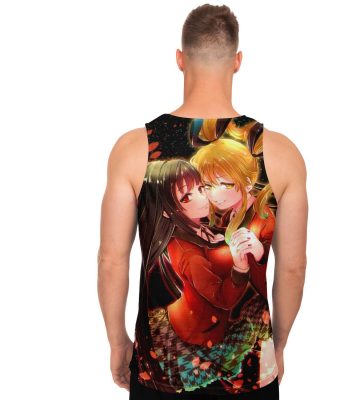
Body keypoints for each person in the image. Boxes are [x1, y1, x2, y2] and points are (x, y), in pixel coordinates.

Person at [97, 4, 308, 399]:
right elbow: (293, 267)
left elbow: (111, 259)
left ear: (180, 59)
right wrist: (277, 346)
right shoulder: (281, 153)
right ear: (238, 61)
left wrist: (116, 341)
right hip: (248, 374)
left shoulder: (132, 148)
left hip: (159, 376)